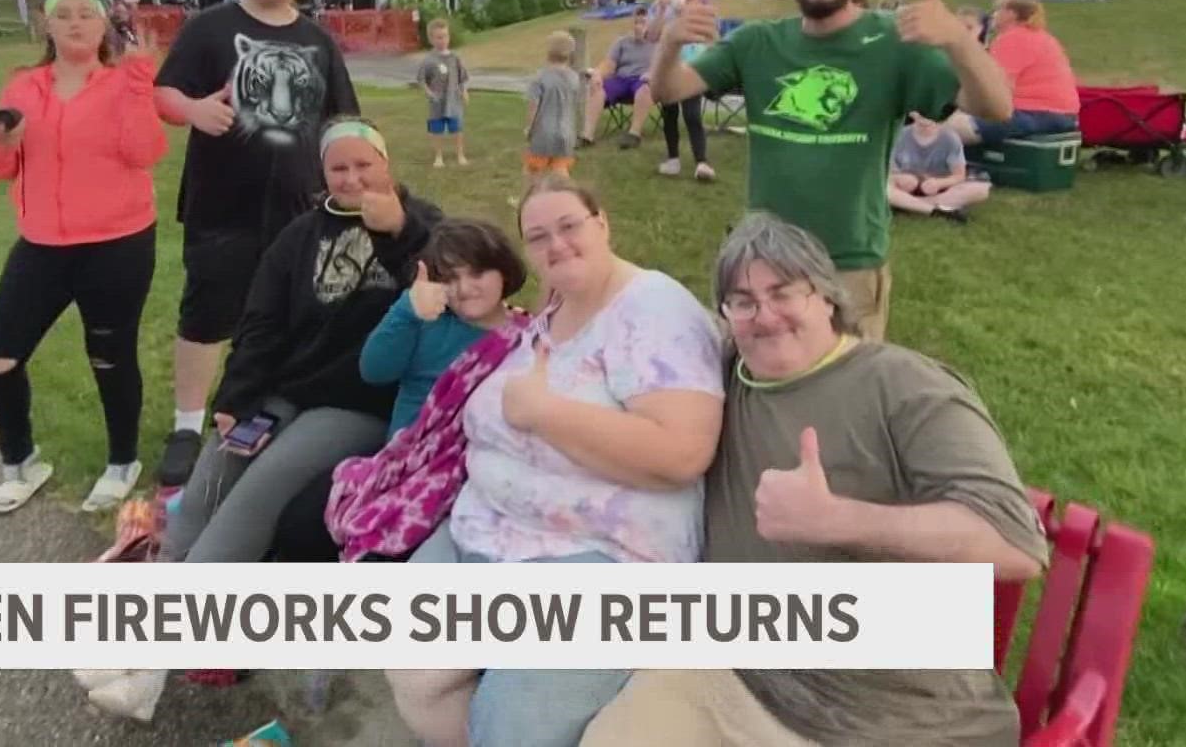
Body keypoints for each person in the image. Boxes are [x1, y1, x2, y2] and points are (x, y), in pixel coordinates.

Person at [581, 214, 1046, 747]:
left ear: (827, 296)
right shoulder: (721, 377)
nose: (766, 317)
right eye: (744, 301)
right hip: (737, 678)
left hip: (895, 720)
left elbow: (1015, 547)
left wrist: (838, 520)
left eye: (784, 293)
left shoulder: (903, 385)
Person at [84, 121, 439, 721]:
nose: (353, 179)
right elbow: (262, 320)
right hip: (286, 387)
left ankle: (154, 662)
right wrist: (236, 396)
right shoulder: (301, 234)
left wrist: (400, 234)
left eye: (364, 165)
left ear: (386, 160)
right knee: (209, 480)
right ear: (322, 174)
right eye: (339, 169)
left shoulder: (424, 222)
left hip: (358, 401)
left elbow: (451, 285)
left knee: (261, 489)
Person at [387, 175, 725, 747]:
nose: (556, 244)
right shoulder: (556, 308)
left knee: (511, 721)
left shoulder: (654, 309)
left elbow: (683, 452)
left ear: (602, 224)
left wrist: (545, 413)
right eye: (538, 236)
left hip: (604, 555)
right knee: (415, 668)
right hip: (485, 528)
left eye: (569, 226)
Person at [649, 0, 1012, 340]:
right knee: (760, 386)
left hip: (851, 262)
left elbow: (996, 107)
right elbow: (668, 91)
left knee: (849, 393)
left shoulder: (894, 44)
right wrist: (671, 41)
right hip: (766, 260)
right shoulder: (757, 43)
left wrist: (956, 38)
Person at [153, 0, 360, 490]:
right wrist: (192, 110)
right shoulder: (210, 27)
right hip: (221, 203)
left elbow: (343, 118)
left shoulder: (317, 40)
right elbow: (164, 93)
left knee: (290, 315)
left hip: (301, 206)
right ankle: (188, 427)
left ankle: (263, 406)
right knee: (206, 316)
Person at [0, 0, 167, 514]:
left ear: (103, 27)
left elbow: (145, 150)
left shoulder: (119, 82)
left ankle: (122, 462)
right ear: (47, 26)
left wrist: (138, 81)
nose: (76, 23)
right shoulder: (23, 86)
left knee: (109, 354)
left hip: (118, 242)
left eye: (86, 14)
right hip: (42, 243)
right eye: (64, 15)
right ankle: (22, 462)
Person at [269, 218, 532, 564]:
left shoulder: (524, 340)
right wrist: (407, 309)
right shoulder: (425, 322)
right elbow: (374, 370)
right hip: (398, 462)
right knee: (299, 527)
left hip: (456, 478)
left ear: (504, 272)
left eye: (477, 273)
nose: (465, 288)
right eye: (450, 278)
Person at [948, 0, 1079, 145]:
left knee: (947, 128)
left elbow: (995, 90)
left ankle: (936, 166)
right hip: (1062, 116)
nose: (994, 15)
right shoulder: (1043, 37)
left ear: (1010, 14)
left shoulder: (1012, 39)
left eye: (997, 10)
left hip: (1034, 114)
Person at [645, 0, 714, 181]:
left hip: (693, 65)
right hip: (668, 64)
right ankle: (673, 159)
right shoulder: (658, 6)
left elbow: (708, 34)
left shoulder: (699, 3)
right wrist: (664, 13)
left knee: (692, 113)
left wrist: (688, 6)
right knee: (670, 113)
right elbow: (652, 36)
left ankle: (701, 162)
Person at [887, 112, 989, 223]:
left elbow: (959, 175)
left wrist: (939, 183)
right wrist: (899, 177)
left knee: (981, 190)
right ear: (911, 113)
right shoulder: (899, 135)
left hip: (938, 188)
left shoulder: (950, 138)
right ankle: (936, 210)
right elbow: (887, 170)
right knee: (885, 188)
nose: (925, 115)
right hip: (907, 187)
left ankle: (907, 204)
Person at [579, 6, 658, 149]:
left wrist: (653, 74)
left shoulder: (657, 44)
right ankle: (587, 136)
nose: (638, 27)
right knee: (597, 86)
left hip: (642, 80)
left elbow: (663, 66)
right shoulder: (622, 42)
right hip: (621, 79)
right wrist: (597, 74)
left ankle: (634, 134)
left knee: (646, 89)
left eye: (643, 23)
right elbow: (609, 65)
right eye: (636, 22)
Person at [524, 30, 582, 176]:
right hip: (566, 132)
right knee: (561, 169)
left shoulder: (540, 78)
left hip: (543, 133)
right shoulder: (574, 78)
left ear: (548, 52)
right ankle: (566, 196)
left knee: (532, 170)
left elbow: (533, 106)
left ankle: (532, 196)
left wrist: (529, 128)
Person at [416, 18, 470, 167]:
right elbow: (421, 79)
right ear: (431, 39)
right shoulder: (428, 60)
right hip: (437, 103)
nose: (443, 40)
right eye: (439, 37)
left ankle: (460, 155)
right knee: (436, 131)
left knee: (457, 129)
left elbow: (462, 77)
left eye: (445, 36)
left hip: (454, 102)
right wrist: (429, 93)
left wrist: (464, 91)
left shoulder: (455, 58)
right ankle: (438, 157)